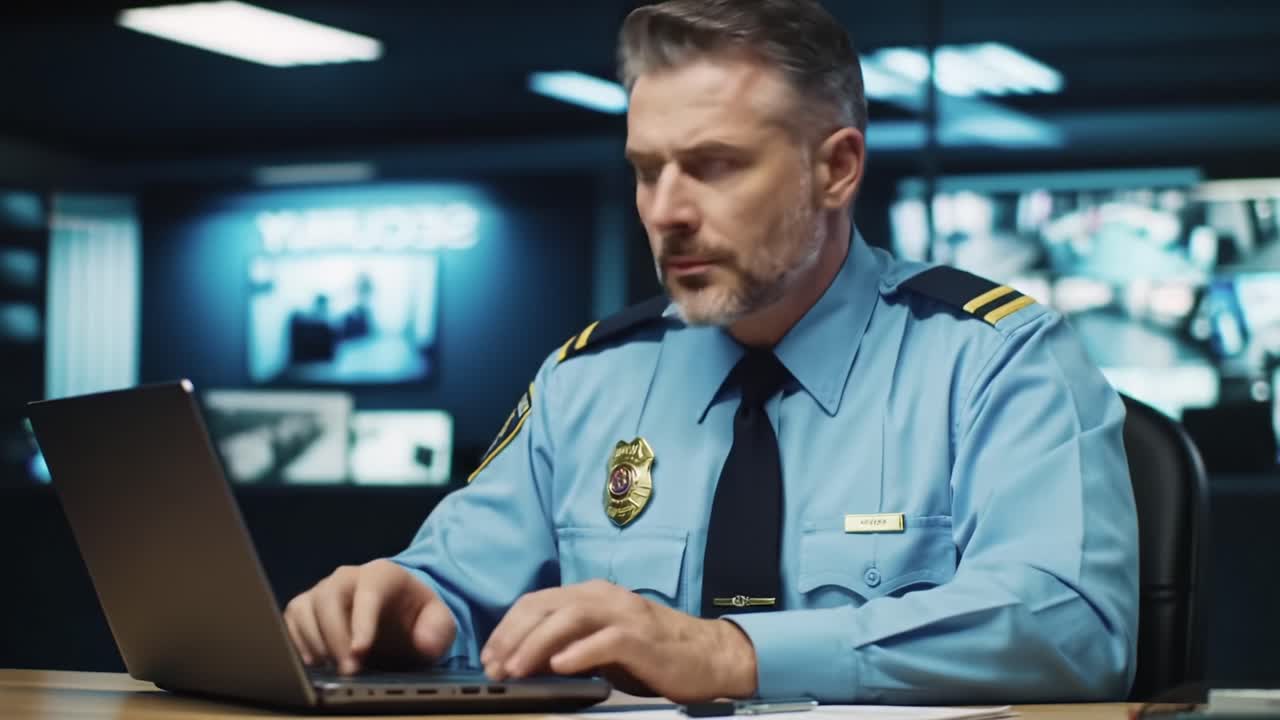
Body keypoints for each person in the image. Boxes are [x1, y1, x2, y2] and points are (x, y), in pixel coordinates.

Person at [283, 0, 1138, 704]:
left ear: (836, 169)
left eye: (714, 165)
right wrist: (405, 611)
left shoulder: (993, 361)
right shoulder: (588, 383)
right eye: (646, 170)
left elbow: (1072, 625)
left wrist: (731, 654)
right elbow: (455, 591)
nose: (666, 211)